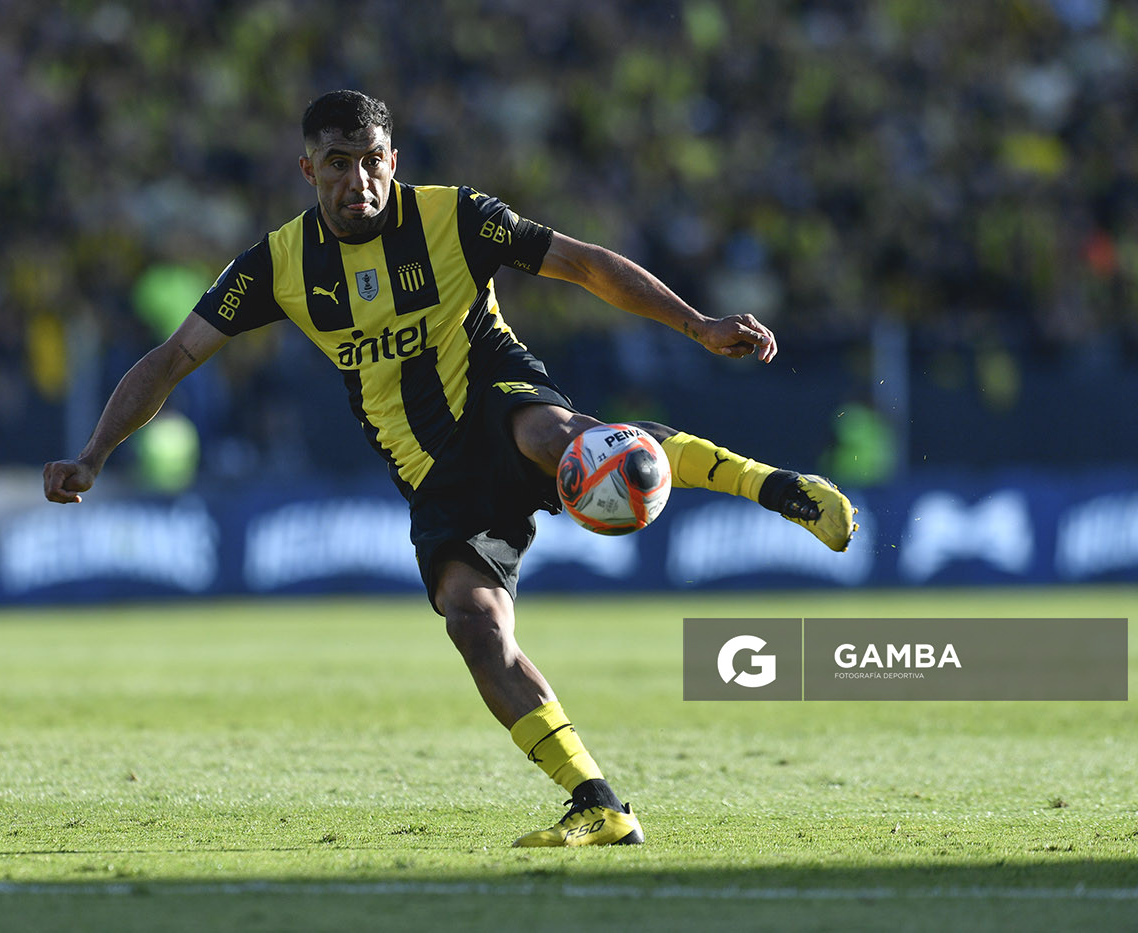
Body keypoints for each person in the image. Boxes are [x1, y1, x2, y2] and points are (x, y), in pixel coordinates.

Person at [44, 90, 858, 847]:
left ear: (393, 158)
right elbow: (175, 356)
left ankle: (779, 488)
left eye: (370, 158)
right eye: (337, 161)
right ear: (308, 170)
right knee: (475, 627)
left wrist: (697, 324)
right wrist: (94, 453)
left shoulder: (457, 217)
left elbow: (582, 264)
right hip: (432, 474)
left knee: (558, 437)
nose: (357, 177)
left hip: (493, 391)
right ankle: (599, 802)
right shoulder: (278, 264)